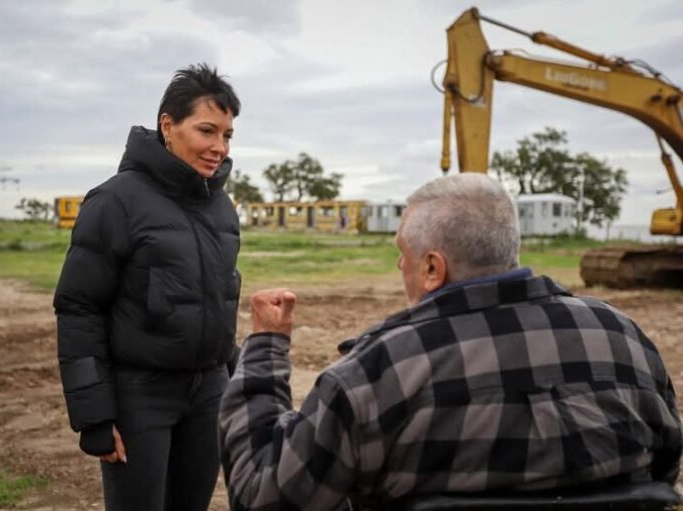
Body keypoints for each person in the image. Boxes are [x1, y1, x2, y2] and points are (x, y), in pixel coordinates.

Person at [219, 173, 683, 511]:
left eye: (402, 253)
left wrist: (266, 348)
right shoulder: (625, 340)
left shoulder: (378, 371)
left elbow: (266, 497)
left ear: (432, 268)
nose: (399, 266)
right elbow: (662, 469)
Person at [54, 63, 241, 511]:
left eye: (227, 135)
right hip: (141, 396)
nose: (219, 147)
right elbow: (79, 307)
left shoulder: (221, 207)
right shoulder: (115, 201)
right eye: (207, 131)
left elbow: (215, 301)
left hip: (209, 392)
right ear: (168, 126)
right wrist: (93, 415)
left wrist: (234, 379)